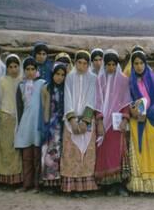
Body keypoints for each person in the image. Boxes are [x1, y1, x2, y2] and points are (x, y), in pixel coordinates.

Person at [126, 51, 154, 194]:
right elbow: (127, 99)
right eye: (136, 64)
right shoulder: (130, 81)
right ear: (132, 65)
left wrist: (148, 113)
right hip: (137, 121)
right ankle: (141, 186)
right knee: (141, 153)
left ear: (145, 64)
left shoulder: (153, 79)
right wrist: (132, 110)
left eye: (141, 63)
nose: (139, 67)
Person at [60, 50, 99, 196]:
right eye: (79, 63)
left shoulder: (93, 78)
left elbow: (92, 97)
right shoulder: (69, 77)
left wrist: (85, 121)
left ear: (88, 64)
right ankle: (73, 187)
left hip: (87, 120)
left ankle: (86, 187)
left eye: (85, 63)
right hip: (71, 120)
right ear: (75, 63)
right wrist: (72, 120)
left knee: (86, 154)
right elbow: (67, 98)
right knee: (72, 153)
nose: (82, 66)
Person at [94, 49, 132, 195]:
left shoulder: (123, 80)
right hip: (104, 123)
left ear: (117, 65)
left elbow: (126, 101)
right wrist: (99, 121)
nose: (111, 67)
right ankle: (109, 185)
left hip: (117, 123)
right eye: (108, 64)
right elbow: (97, 102)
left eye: (113, 64)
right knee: (106, 153)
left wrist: (125, 119)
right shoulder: (99, 80)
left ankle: (120, 185)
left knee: (119, 152)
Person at [14, 57, 47, 193]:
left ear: (37, 70)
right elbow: (20, 108)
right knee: (26, 157)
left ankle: (37, 185)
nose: (30, 72)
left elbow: (45, 105)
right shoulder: (21, 86)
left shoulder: (43, 84)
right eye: (27, 69)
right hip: (25, 125)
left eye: (33, 69)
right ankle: (26, 184)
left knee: (37, 157)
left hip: (37, 125)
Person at [0, 54, 23, 186]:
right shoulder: (2, 81)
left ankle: (17, 179)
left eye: (15, 66)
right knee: (5, 149)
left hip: (19, 118)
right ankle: (5, 179)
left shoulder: (22, 80)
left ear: (19, 66)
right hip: (6, 118)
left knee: (16, 150)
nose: (13, 69)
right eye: (10, 67)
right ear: (6, 68)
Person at [40, 62, 68, 190]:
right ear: (52, 74)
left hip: (63, 124)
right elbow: (45, 107)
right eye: (57, 74)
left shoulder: (66, 88)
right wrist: (45, 124)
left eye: (63, 75)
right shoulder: (46, 88)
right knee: (50, 153)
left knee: (61, 152)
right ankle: (50, 182)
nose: (60, 77)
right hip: (51, 126)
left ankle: (59, 182)